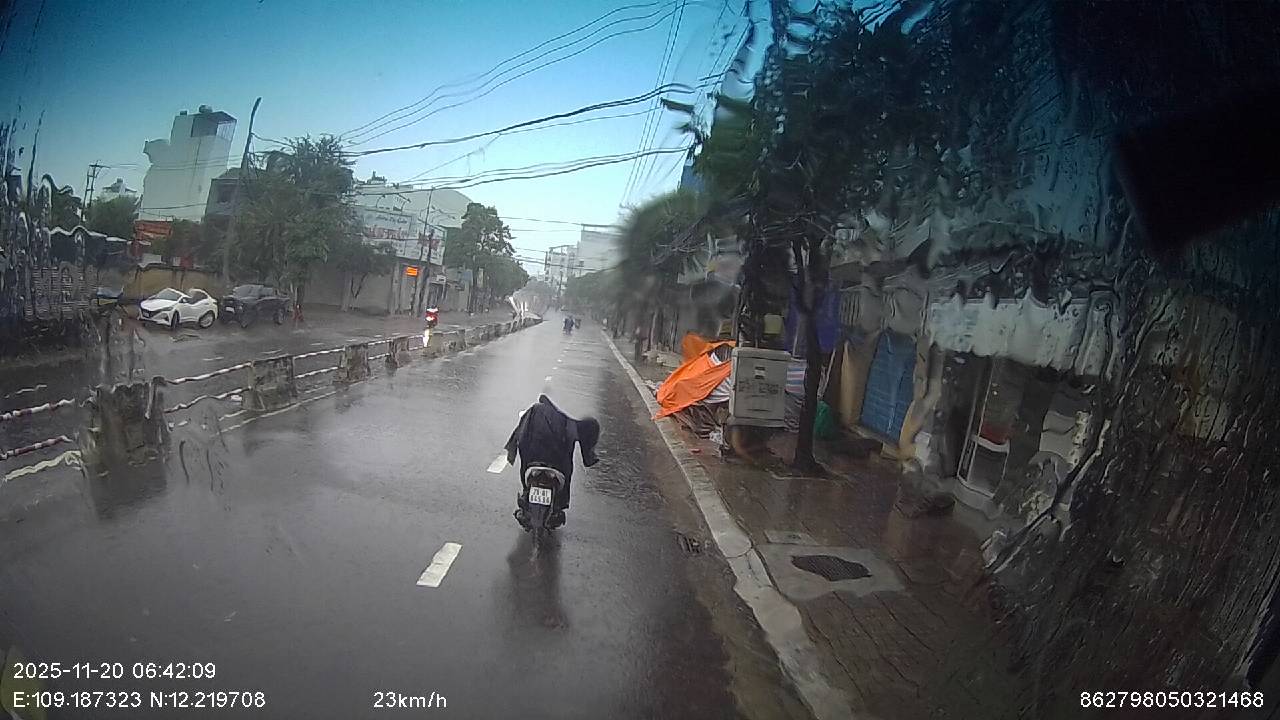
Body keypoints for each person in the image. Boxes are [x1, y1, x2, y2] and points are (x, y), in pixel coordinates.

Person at [505, 395, 600, 528]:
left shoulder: (535, 410)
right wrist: (589, 456)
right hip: (557, 465)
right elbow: (586, 430)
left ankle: (526, 496)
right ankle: (558, 505)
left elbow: (520, 433)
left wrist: (513, 450)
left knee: (526, 469)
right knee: (565, 474)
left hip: (533, 462)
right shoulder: (568, 418)